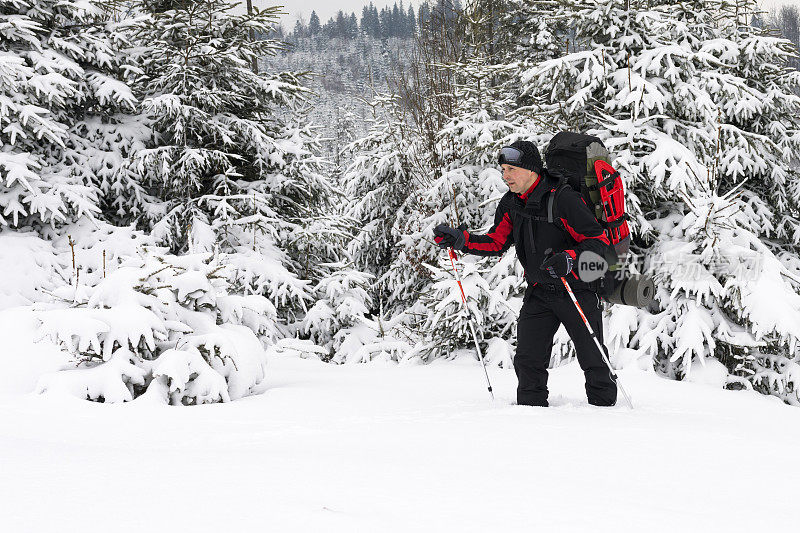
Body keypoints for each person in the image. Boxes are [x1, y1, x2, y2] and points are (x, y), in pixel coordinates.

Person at [433, 140, 617, 407]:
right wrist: (461, 240)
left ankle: (605, 414)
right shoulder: (511, 203)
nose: (505, 176)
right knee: (528, 361)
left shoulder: (563, 199)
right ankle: (530, 417)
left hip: (575, 289)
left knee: (593, 357)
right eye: (503, 169)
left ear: (532, 170)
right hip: (539, 292)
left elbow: (599, 241)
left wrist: (570, 258)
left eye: (511, 169)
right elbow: (496, 242)